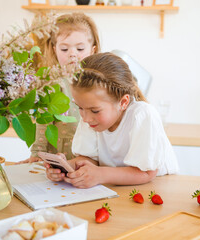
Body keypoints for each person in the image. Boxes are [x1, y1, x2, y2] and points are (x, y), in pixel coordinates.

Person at [45, 52, 179, 188]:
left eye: (95, 110)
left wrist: (100, 175)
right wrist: (68, 167)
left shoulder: (142, 115)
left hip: (157, 187)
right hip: (120, 188)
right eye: (80, 107)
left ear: (123, 102)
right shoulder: (91, 117)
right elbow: (90, 159)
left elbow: (146, 173)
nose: (85, 118)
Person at [20, 12, 101, 163]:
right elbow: (43, 122)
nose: (72, 55)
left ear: (93, 50)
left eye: (80, 49)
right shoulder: (49, 83)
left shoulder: (100, 84)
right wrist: (37, 153)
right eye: (64, 49)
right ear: (54, 49)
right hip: (58, 160)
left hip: (91, 161)